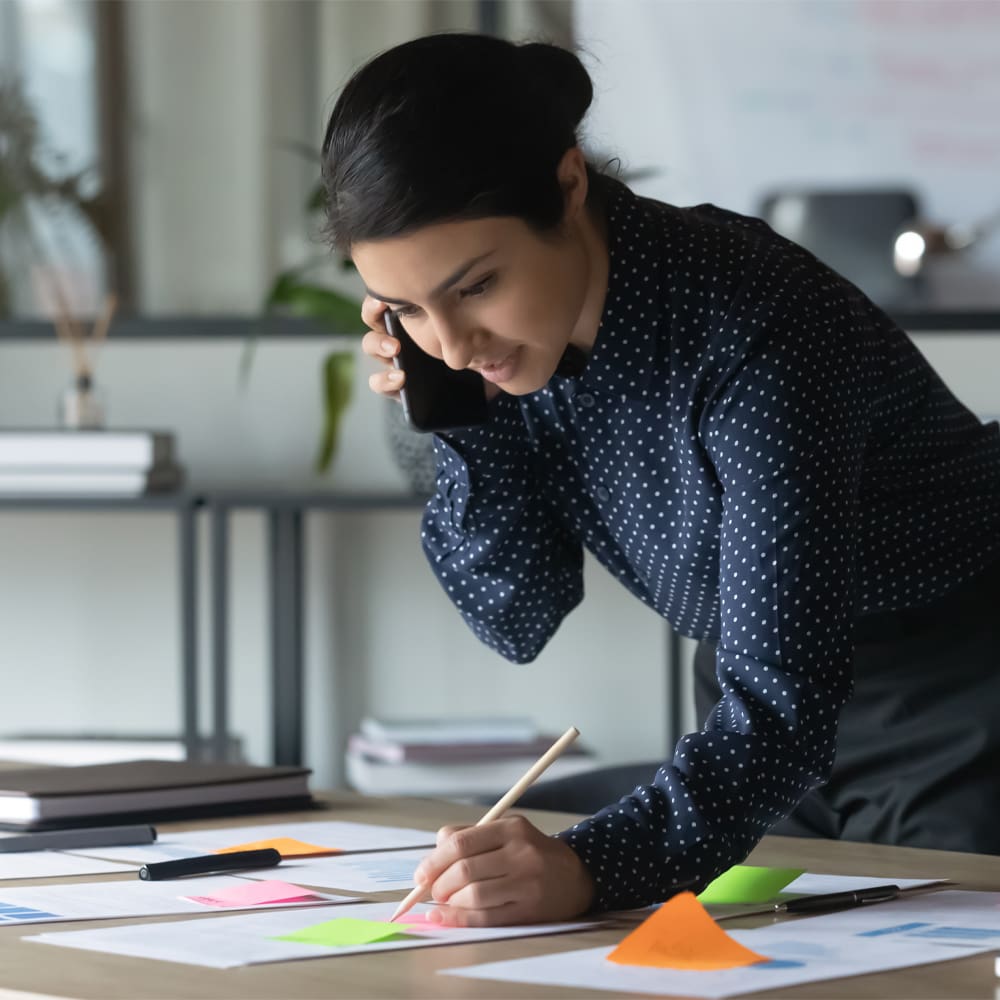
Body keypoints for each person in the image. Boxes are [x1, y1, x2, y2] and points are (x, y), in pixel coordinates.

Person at [320, 33, 1000, 927]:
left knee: (926, 974)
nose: (451, 342)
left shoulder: (757, 322)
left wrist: (588, 865)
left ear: (567, 187)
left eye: (476, 285)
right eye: (407, 311)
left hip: (954, 680)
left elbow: (786, 698)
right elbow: (515, 615)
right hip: (754, 710)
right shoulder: (491, 358)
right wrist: (455, 417)